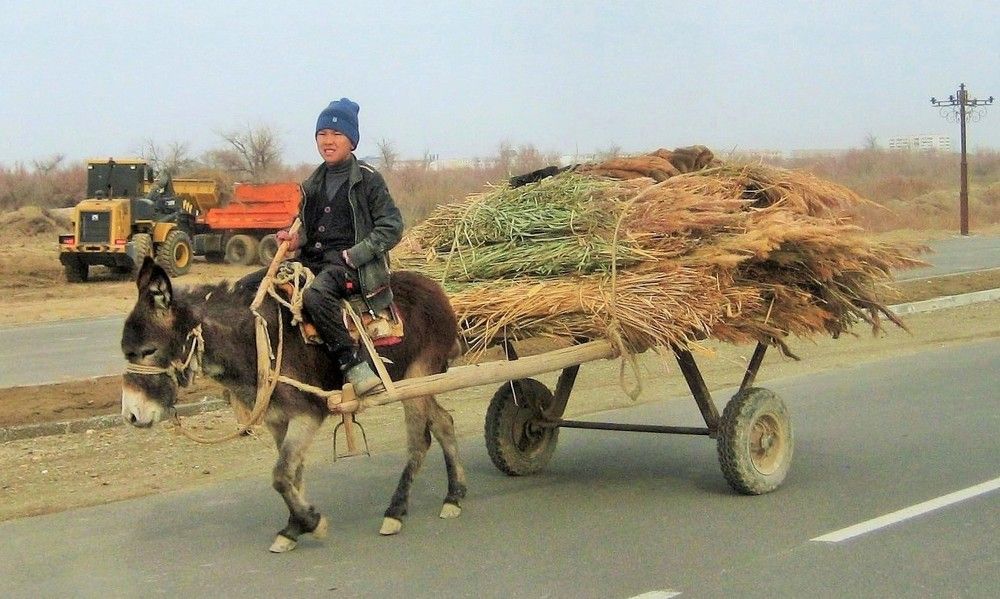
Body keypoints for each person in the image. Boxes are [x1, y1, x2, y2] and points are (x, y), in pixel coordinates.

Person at [241, 97, 404, 395]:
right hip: (312, 262)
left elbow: (392, 227)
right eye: (322, 134)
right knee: (251, 283)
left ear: (352, 141)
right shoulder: (312, 183)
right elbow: (305, 227)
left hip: (353, 267)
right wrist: (295, 240)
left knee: (315, 295)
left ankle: (352, 364)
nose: (328, 141)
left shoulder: (368, 180)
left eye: (337, 134)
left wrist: (356, 254)